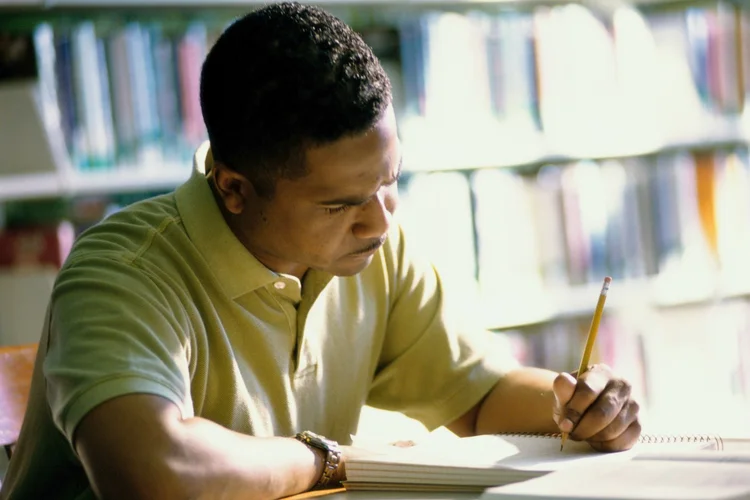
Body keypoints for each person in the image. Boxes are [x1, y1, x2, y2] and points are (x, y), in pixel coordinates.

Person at [0, 3, 641, 499]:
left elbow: (476, 396)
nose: (379, 223)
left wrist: (576, 409)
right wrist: (322, 459)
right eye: (339, 205)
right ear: (233, 189)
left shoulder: (373, 247)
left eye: (390, 184)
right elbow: (154, 474)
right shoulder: (122, 274)